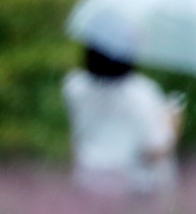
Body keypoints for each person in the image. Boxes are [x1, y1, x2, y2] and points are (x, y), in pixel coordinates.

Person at [62, 46, 184, 196]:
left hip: (87, 181)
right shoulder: (141, 93)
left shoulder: (74, 86)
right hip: (131, 187)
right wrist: (172, 125)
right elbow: (155, 150)